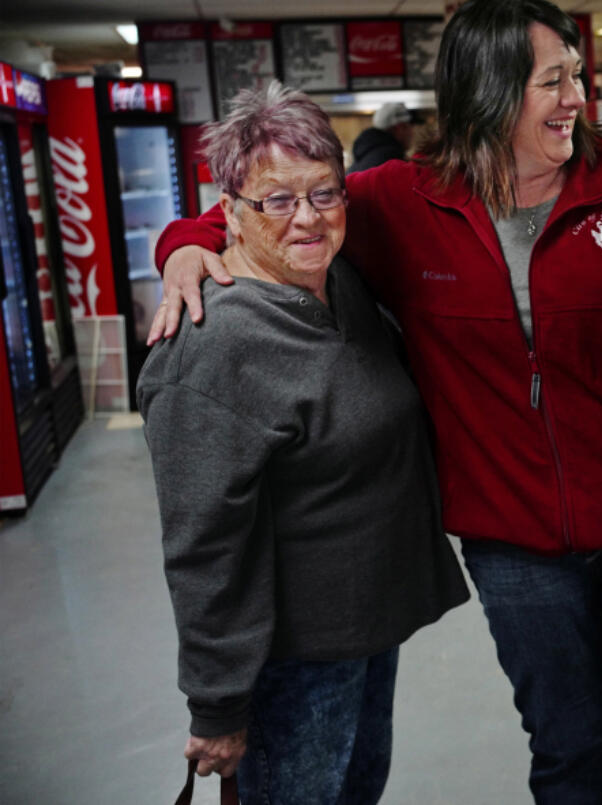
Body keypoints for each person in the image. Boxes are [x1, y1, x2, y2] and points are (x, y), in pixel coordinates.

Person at [150, 1, 602, 802]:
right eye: (553, 81)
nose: (577, 98)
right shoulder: (406, 203)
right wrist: (186, 248)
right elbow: (274, 203)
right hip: (515, 549)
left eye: (577, 75)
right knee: (570, 755)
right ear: (490, 92)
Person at [136, 82, 469, 803]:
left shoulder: (338, 281)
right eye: (277, 201)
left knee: (357, 789)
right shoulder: (212, 346)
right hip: (294, 658)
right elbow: (204, 547)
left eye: (323, 194)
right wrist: (218, 703)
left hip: (366, 629)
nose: (307, 219)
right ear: (228, 212)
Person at [347, 101, 422, 173]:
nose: (412, 133)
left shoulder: (364, 154)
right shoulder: (392, 159)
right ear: (399, 128)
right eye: (410, 127)